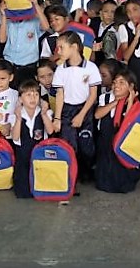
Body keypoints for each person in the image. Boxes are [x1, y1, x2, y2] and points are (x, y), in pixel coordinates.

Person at [51, 31, 102, 182]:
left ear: (74, 47)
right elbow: (60, 94)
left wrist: (81, 115)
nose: (58, 51)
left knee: (86, 146)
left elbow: (93, 95)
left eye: (61, 47)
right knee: (69, 145)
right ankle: (72, 176)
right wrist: (57, 118)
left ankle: (87, 171)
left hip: (85, 110)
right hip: (67, 110)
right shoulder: (60, 69)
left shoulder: (90, 67)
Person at [93, 69, 140, 193]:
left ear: (131, 86)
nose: (116, 85)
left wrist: (130, 101)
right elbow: (97, 115)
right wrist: (116, 102)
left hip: (122, 144)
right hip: (106, 141)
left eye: (122, 83)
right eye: (115, 82)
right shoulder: (105, 98)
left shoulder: (136, 103)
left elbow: (129, 124)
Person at [11, 80, 52, 198]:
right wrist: (18, 119)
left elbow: (50, 131)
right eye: (28, 95)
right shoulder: (17, 114)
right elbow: (15, 137)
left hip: (39, 154)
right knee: (23, 190)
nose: (32, 98)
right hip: (23, 155)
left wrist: (44, 114)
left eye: (36, 94)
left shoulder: (45, 113)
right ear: (20, 99)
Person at [0, 0, 47, 84]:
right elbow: (1, 39)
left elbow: (46, 27)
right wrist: (4, 15)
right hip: (10, 65)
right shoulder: (8, 22)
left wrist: (35, 4)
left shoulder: (34, 21)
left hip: (29, 66)